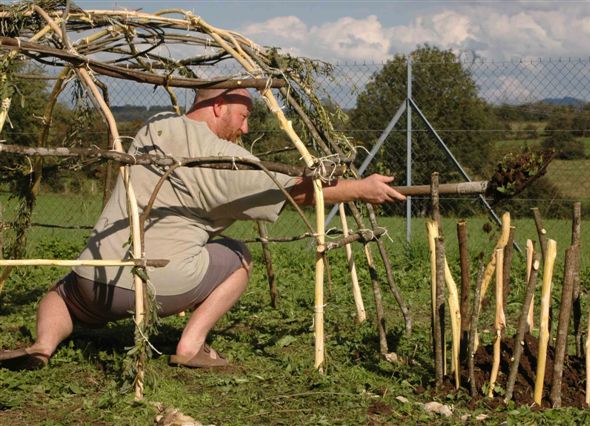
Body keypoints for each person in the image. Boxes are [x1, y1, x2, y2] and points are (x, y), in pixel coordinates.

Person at [0, 88, 405, 370]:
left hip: (96, 279)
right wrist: (360, 189)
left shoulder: (152, 130)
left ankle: (42, 345)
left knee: (61, 291)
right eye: (243, 116)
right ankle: (190, 347)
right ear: (218, 107)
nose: (245, 130)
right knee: (237, 257)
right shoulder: (223, 158)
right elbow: (297, 192)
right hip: (157, 286)